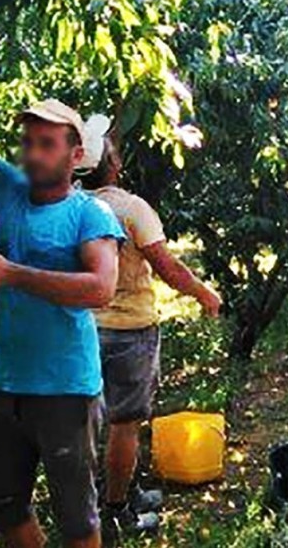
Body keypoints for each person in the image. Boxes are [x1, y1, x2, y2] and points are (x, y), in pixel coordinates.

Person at [0, 72, 125, 548]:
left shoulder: (90, 214)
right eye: (29, 141)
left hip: (63, 389)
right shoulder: (5, 189)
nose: (34, 152)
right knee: (0, 503)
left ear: (75, 156)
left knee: (77, 519)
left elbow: (101, 288)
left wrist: (10, 274)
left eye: (48, 143)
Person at [75, 118, 221, 543]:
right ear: (113, 166)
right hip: (129, 330)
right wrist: (204, 294)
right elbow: (168, 267)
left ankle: (119, 493)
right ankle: (116, 511)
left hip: (83, 330)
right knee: (125, 424)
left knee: (87, 425)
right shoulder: (131, 208)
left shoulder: (69, 208)